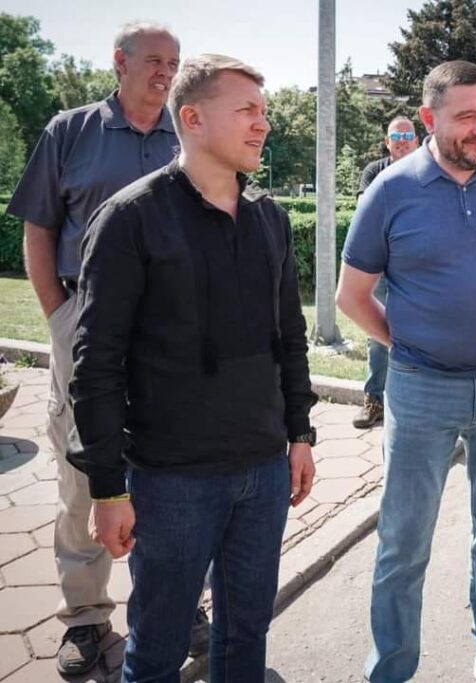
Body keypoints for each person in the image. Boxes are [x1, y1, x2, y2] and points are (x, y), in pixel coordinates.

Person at [68, 54, 317, 682]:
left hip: (263, 472)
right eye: (247, 110)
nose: (263, 124)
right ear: (193, 118)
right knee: (157, 650)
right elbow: (96, 366)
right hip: (172, 482)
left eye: (264, 111)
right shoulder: (130, 219)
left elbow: (290, 338)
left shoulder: (269, 217)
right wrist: (107, 488)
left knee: (246, 634)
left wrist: (299, 434)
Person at [1, 22, 212, 676]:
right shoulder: (70, 132)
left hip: (175, 335)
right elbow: (39, 227)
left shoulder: (191, 131)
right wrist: (59, 316)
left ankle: (179, 601)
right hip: (88, 323)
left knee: (176, 472)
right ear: (120, 62)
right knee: (83, 472)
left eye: (175, 62)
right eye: (154, 60)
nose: (166, 72)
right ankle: (85, 616)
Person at [337, 60, 476, 683]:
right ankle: (391, 668)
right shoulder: (390, 190)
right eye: (466, 116)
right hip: (420, 389)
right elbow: (352, 296)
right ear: (429, 119)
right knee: (403, 542)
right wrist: (407, 346)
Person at [351, 116, 419, 429]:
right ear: (387, 142)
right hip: (379, 268)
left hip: (418, 269)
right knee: (378, 334)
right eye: (396, 136)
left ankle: (416, 405)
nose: (402, 142)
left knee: (421, 332)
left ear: (416, 140)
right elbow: (367, 214)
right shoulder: (374, 172)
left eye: (407, 136)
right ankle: (374, 400)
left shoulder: (430, 171)